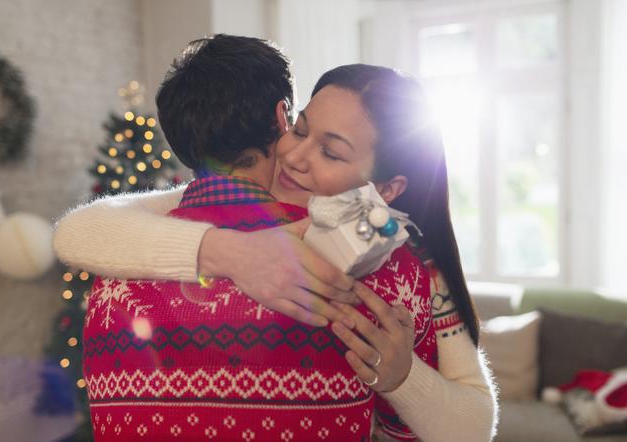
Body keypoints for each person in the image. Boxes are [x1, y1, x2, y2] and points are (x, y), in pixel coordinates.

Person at [58, 39, 497, 441]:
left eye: (332, 152)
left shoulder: (406, 263)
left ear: (386, 191)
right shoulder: (201, 211)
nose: (295, 157)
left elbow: (474, 427)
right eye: (301, 130)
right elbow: (78, 231)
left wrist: (405, 380)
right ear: (282, 117)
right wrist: (236, 254)